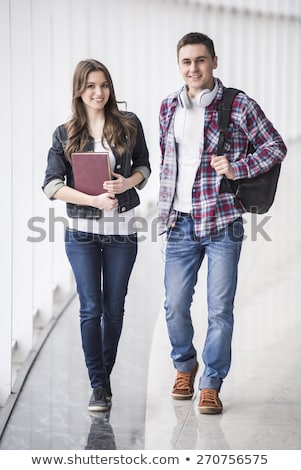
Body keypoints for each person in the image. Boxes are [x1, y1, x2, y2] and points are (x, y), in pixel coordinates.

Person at [158, 32, 287, 414]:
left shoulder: (238, 105)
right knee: (174, 305)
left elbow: (275, 146)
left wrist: (237, 167)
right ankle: (185, 365)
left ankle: (211, 382)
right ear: (179, 65)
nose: (193, 68)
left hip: (223, 223)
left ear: (214, 61)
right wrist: (163, 214)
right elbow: (168, 163)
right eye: (186, 62)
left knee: (219, 308)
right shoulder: (168, 107)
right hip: (180, 222)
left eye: (200, 60)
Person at [43, 59, 151, 412]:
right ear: (79, 90)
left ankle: (104, 377)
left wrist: (127, 183)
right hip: (81, 234)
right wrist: (92, 199)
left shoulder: (129, 125)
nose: (99, 92)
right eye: (90, 86)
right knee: (90, 309)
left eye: (103, 85)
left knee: (114, 309)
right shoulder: (65, 134)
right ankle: (98, 385)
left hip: (122, 233)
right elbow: (51, 185)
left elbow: (144, 167)